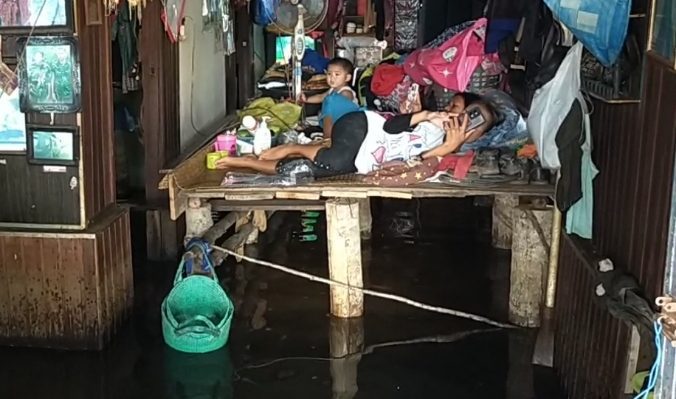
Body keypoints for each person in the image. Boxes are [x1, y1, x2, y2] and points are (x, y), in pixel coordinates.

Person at [215, 92, 498, 178]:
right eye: (458, 111)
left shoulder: (454, 153)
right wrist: (424, 115)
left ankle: (248, 162)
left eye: (473, 124)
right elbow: (390, 127)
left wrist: (448, 149)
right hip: (360, 126)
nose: (459, 121)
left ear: (475, 136)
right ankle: (296, 148)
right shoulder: (433, 123)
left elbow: (411, 165)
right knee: (333, 162)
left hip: (357, 154)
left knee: (311, 170)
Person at [301, 57, 360, 139]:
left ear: (347, 78)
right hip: (332, 123)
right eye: (329, 74)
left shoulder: (346, 93)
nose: (332, 78)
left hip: (343, 126)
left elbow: (336, 109)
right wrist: (306, 99)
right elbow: (321, 97)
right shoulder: (332, 89)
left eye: (337, 74)